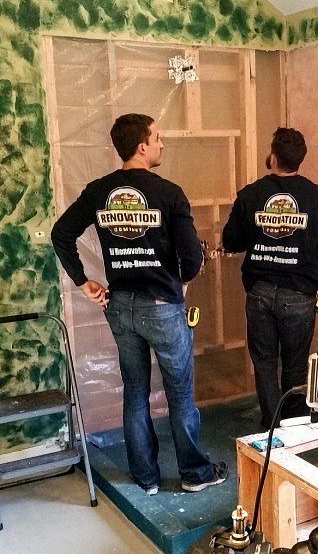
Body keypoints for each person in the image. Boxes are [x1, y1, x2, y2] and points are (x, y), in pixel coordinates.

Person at [51, 113, 226, 495]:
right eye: (157, 138)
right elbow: (192, 258)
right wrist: (181, 283)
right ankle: (195, 474)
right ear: (142, 146)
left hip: (119, 307)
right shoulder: (169, 193)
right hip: (162, 307)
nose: (162, 144)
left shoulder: (99, 191)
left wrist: (83, 282)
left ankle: (146, 479)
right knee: (181, 394)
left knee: (135, 393)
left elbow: (61, 233)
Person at [222, 127, 318, 429]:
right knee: (295, 366)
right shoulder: (317, 197)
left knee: (264, 364)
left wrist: (258, 233)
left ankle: (271, 428)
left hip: (260, 293)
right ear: (300, 159)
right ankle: (293, 430)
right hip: (300, 297)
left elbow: (231, 241)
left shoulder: (250, 195)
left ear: (273, 157)